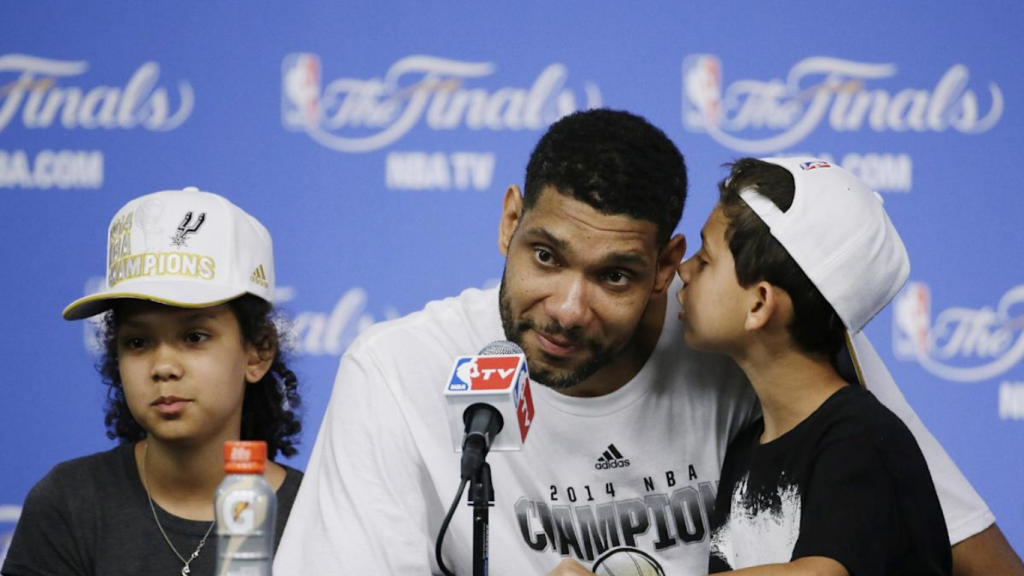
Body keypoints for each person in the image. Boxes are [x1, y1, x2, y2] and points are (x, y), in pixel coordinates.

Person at [274, 109, 1016, 576]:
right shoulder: (396, 371)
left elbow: (972, 558)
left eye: (616, 277)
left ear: (669, 267)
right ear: (508, 222)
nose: (567, 308)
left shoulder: (786, 361)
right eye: (544, 255)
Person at [2, 187, 305, 576]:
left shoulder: (313, 514)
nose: (163, 366)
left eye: (195, 337)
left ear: (258, 352)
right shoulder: (68, 502)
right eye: (138, 342)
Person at [676, 157, 948, 574]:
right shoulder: (748, 445)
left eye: (706, 259)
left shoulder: (861, 438)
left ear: (760, 303)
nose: (684, 269)